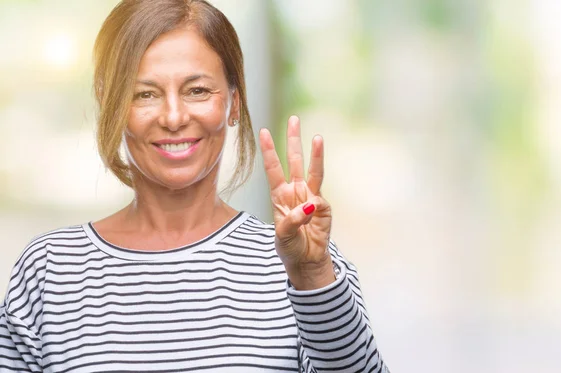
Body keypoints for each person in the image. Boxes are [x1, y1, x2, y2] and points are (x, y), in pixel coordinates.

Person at [0, 0, 389, 372]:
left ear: (234, 103)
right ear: (111, 105)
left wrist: (312, 276)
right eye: (145, 94)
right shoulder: (50, 271)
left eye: (197, 90)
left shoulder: (304, 262)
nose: (173, 116)